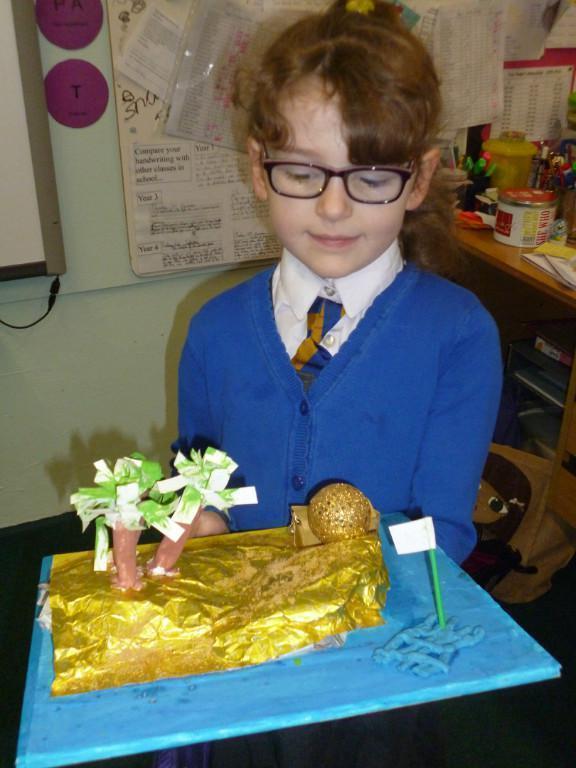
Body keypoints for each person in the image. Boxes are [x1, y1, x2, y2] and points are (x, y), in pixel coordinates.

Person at [158, 0, 502, 764]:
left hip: (375, 662)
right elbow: (197, 473)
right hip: (246, 654)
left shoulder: (457, 335)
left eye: (371, 174)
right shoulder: (214, 330)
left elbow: (442, 529)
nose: (335, 205)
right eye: (303, 171)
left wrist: (341, 588)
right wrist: (198, 521)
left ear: (419, 179)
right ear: (259, 168)